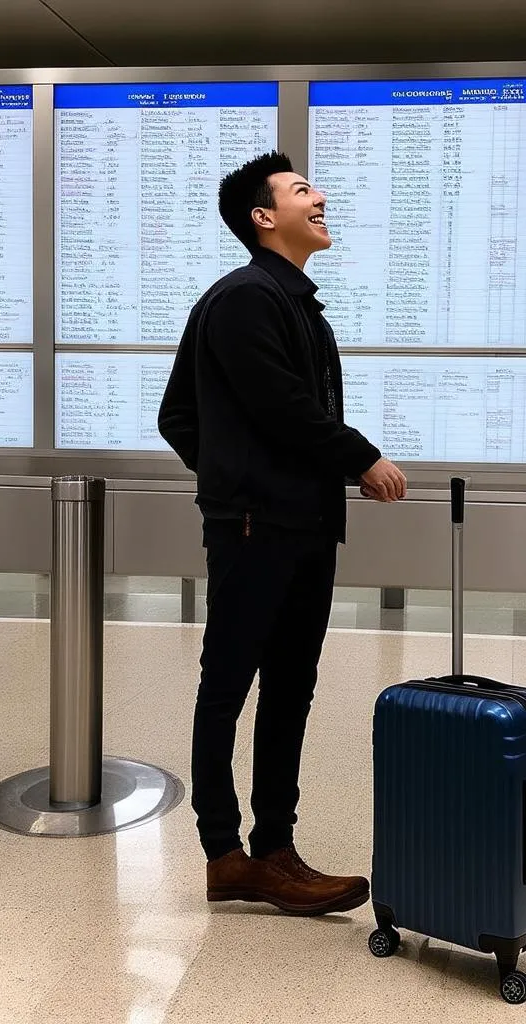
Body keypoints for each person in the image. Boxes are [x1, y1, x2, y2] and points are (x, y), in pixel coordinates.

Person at [158, 151, 407, 915]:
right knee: (228, 686)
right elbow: (281, 410)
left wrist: (248, 469)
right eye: (302, 191)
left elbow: (195, 418)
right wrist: (356, 458)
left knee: (291, 688)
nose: (321, 196)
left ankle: (275, 851)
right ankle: (226, 853)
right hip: (256, 528)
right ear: (264, 217)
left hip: (300, 523)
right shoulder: (244, 299)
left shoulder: (294, 302)